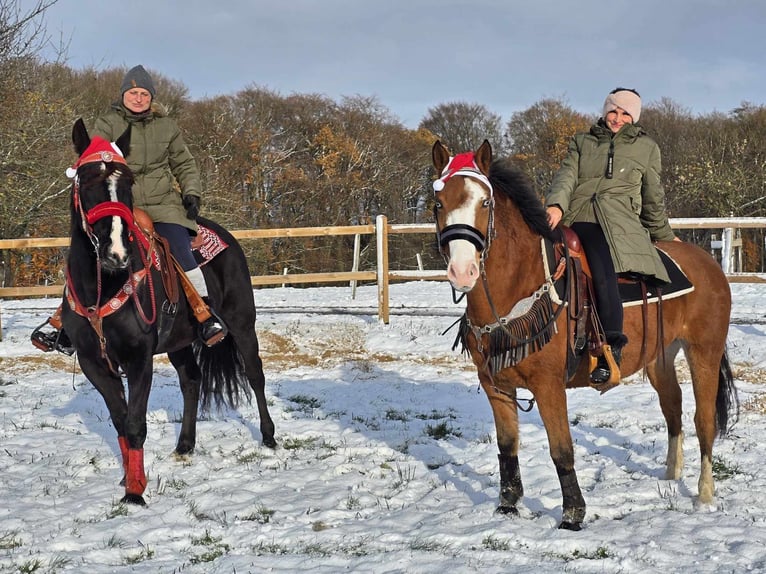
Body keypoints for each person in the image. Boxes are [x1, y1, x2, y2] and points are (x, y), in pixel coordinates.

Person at [31, 65, 226, 352]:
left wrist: (192, 193)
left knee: (180, 250)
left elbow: (184, 163)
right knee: (89, 252)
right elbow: (94, 157)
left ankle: (203, 312)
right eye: (133, 92)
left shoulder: (167, 127)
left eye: (144, 93)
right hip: (121, 202)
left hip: (163, 205)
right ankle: (64, 322)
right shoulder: (108, 123)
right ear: (123, 95)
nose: (138, 98)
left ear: (152, 97)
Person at [545, 87, 680, 386]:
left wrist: (663, 234)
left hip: (619, 219)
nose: (617, 118)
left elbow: (652, 195)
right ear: (605, 110)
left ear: (634, 117)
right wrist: (556, 204)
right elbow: (567, 176)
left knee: (602, 268)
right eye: (613, 110)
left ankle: (610, 348)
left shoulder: (646, 148)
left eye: (625, 113)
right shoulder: (583, 141)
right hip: (578, 213)